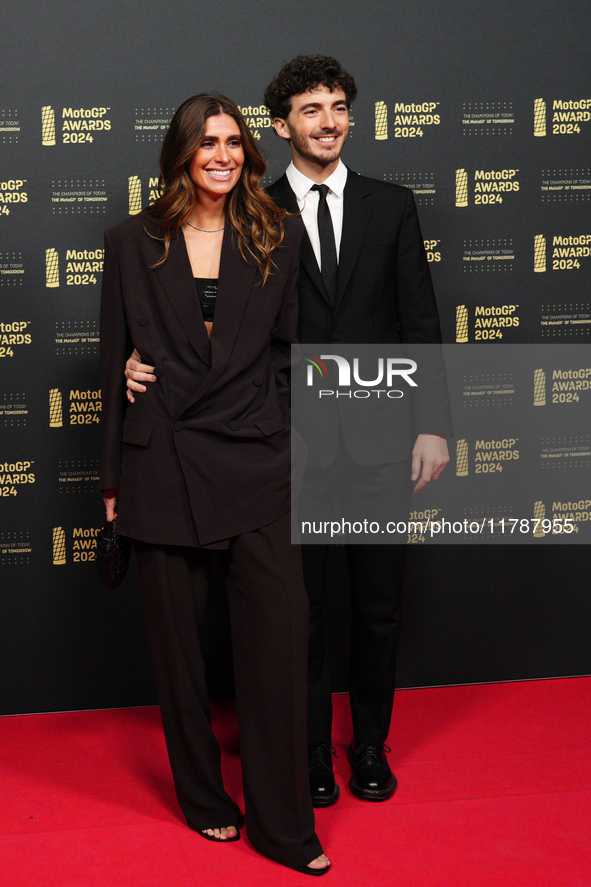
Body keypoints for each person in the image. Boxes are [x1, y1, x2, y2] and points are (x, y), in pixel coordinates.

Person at [125, 58, 451, 810]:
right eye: (311, 109)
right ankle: (305, 750)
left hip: (379, 443)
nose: (329, 121)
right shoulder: (252, 212)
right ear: (281, 125)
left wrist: (432, 423)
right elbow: (199, 318)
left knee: (376, 603)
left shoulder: (391, 207)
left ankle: (368, 743)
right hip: (283, 446)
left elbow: (420, 322)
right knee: (294, 612)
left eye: (339, 107)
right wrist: (134, 361)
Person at [99, 93, 330, 875]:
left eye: (234, 142)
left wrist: (286, 436)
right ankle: (203, 798)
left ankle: (283, 825)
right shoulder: (131, 242)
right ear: (182, 156)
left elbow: (288, 353)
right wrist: (110, 478)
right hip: (161, 459)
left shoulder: (275, 233)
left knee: (276, 642)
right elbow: (113, 364)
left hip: (256, 457)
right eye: (208, 144)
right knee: (179, 657)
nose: (224, 156)